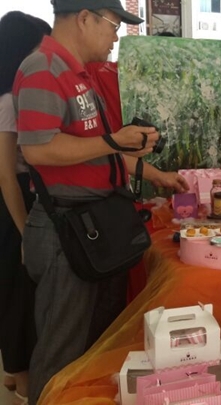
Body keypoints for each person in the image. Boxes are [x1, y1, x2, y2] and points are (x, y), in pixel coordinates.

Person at [13, 1, 188, 403]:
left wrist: (156, 174)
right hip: (67, 230)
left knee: (95, 344)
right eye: (113, 25)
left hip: (96, 224)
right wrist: (113, 140)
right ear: (84, 17)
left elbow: (95, 152)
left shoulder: (80, 73)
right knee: (61, 349)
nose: (116, 36)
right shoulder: (43, 69)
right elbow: (39, 149)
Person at [0, 12, 51, 405]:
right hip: (12, 200)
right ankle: (21, 380)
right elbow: (6, 175)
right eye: (39, 49)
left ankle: (13, 374)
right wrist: (24, 233)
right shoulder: (8, 101)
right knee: (17, 291)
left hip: (19, 195)